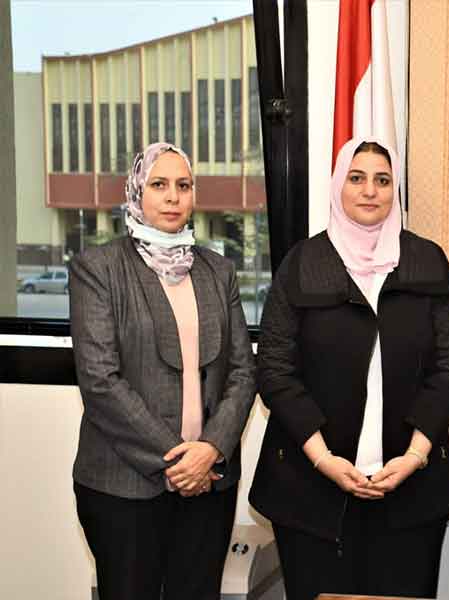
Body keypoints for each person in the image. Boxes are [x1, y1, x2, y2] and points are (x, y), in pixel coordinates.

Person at [249, 137, 449, 600]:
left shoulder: (426, 260)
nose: (370, 190)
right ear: (338, 186)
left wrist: (415, 455)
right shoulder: (304, 263)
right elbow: (274, 369)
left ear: (395, 191)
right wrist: (324, 458)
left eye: (383, 180)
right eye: (357, 177)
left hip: (412, 490)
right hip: (309, 491)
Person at [69, 142, 256, 600]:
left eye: (183, 185)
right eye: (159, 184)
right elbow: (100, 380)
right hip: (124, 487)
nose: (173, 197)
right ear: (136, 191)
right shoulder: (99, 268)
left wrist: (210, 450)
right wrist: (180, 459)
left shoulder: (218, 270)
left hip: (208, 484)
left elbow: (243, 373)